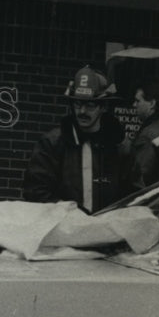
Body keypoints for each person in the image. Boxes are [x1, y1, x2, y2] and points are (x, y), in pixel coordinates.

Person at [22, 65, 131, 212]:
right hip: (65, 231)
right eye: (77, 103)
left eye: (90, 105)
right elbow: (35, 192)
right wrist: (71, 214)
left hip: (108, 231)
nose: (82, 111)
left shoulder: (119, 146)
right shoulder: (51, 144)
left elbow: (133, 195)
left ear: (104, 107)